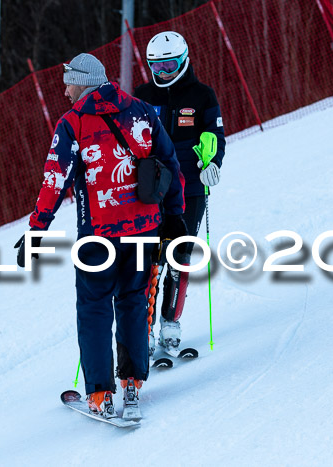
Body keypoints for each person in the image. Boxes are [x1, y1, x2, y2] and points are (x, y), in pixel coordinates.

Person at [15, 53, 186, 419]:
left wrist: (36, 231)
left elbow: (54, 180)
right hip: (145, 229)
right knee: (133, 304)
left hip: (98, 236)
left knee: (93, 310)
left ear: (85, 82)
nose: (64, 90)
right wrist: (174, 217)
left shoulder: (73, 122)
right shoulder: (141, 111)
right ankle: (132, 386)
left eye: (69, 83)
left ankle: (100, 395)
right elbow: (169, 163)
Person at [134, 31, 226, 356]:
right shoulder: (143, 95)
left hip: (190, 187)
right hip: (149, 188)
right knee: (146, 259)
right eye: (156, 67)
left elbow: (214, 134)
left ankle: (170, 324)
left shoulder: (201, 95)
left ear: (184, 60)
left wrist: (211, 162)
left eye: (169, 66)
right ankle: (140, 331)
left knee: (178, 257)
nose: (163, 74)